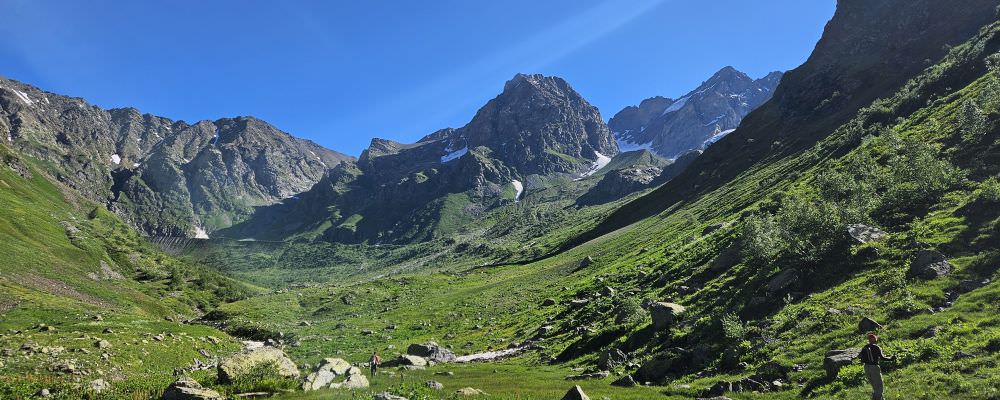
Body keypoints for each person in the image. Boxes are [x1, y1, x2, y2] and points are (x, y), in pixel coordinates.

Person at [861, 333, 896, 400]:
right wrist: (891, 358)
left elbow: (862, 359)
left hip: (866, 368)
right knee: (879, 387)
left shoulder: (864, 347)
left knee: (875, 387)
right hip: (874, 368)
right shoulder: (877, 347)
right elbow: (882, 358)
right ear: (874, 339)